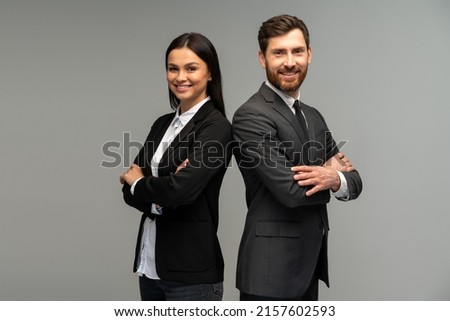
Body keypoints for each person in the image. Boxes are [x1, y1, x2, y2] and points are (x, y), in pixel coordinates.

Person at [232, 14, 363, 301]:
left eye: (297, 51)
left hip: (307, 266)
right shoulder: (251, 115)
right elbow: (290, 191)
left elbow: (354, 181)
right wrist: (330, 176)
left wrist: (336, 177)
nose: (290, 62)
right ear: (262, 58)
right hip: (269, 272)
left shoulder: (313, 116)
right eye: (279, 52)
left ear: (309, 54)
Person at [120, 32, 232, 301]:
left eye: (191, 68)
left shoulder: (217, 128)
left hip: (190, 274)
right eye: (173, 68)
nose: (180, 77)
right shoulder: (161, 124)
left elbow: (180, 190)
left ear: (210, 73)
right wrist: (159, 192)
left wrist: (140, 183)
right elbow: (128, 191)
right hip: (150, 268)